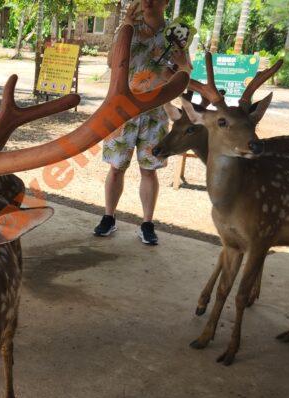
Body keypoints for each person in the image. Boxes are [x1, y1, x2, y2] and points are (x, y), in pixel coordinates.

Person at [94, 0, 189, 245]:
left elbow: (184, 70)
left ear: (166, 2)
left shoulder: (175, 35)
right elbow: (111, 63)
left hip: (155, 113)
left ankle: (147, 223)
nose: (147, 2)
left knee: (149, 170)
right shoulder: (128, 29)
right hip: (122, 113)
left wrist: (179, 66)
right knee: (116, 168)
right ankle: (108, 217)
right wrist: (126, 24)